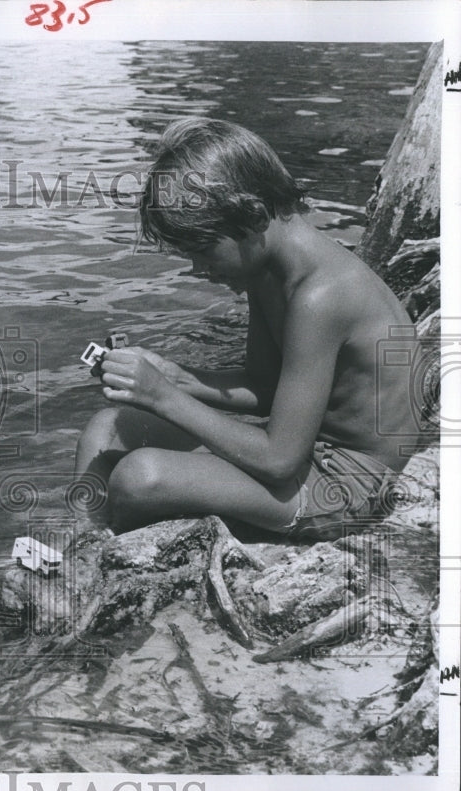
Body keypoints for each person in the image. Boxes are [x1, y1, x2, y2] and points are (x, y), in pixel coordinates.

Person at [75, 118, 420, 540]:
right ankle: (78, 548)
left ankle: (105, 555)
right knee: (106, 429)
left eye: (204, 250)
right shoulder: (269, 273)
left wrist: (162, 396)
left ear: (253, 215)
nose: (197, 268)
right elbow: (264, 387)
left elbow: (278, 461)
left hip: (345, 483)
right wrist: (173, 376)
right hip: (302, 449)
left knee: (139, 477)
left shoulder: (321, 297)